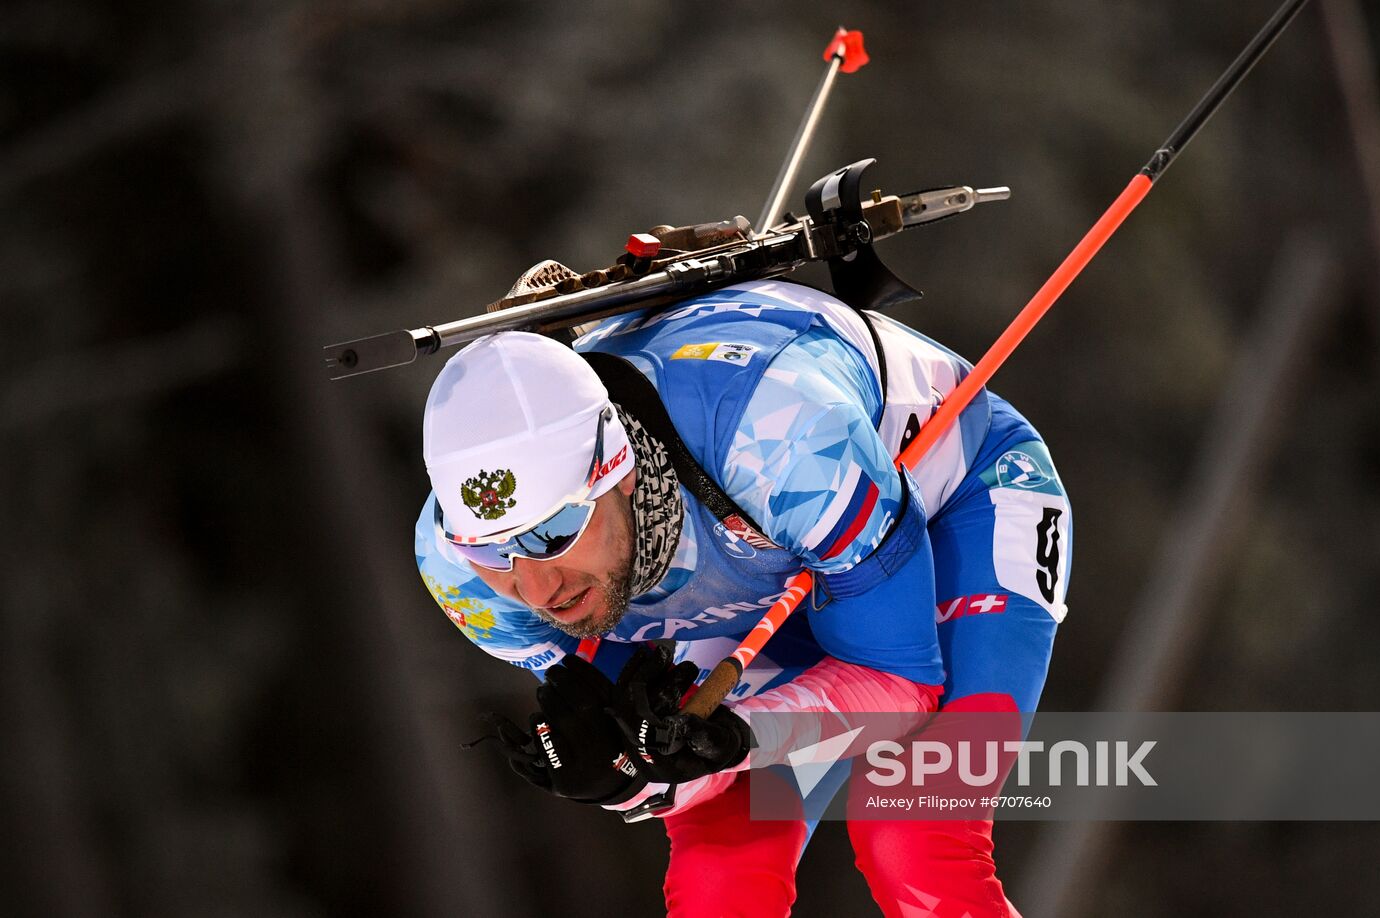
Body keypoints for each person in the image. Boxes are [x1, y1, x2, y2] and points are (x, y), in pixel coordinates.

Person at [415, 278, 1071, 917]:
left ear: (619, 472)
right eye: (492, 550)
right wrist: (631, 772)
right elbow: (649, 753)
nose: (536, 587)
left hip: (962, 503)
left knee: (911, 836)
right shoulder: (458, 575)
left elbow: (899, 688)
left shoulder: (780, 439)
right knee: (717, 882)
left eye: (554, 532)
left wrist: (737, 737)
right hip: (775, 568)